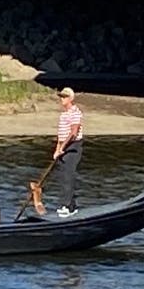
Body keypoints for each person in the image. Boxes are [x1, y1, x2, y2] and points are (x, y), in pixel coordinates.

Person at [52, 86, 84, 217]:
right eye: (61, 96)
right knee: (63, 176)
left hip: (73, 146)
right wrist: (57, 149)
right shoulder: (63, 114)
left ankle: (68, 207)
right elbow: (61, 134)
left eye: (64, 97)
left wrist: (63, 147)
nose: (61, 99)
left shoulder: (76, 112)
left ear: (70, 98)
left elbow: (73, 132)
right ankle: (71, 205)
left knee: (68, 175)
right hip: (64, 147)